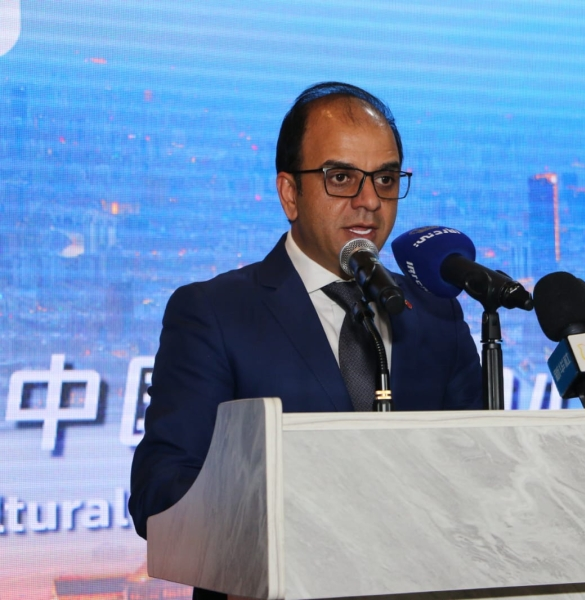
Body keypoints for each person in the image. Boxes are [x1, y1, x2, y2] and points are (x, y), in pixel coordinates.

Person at [129, 82, 482, 599]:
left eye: (385, 179)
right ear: (289, 194)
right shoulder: (214, 313)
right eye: (341, 177)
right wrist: (292, 519)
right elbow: (160, 492)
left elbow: (480, 469)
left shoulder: (435, 312)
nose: (369, 201)